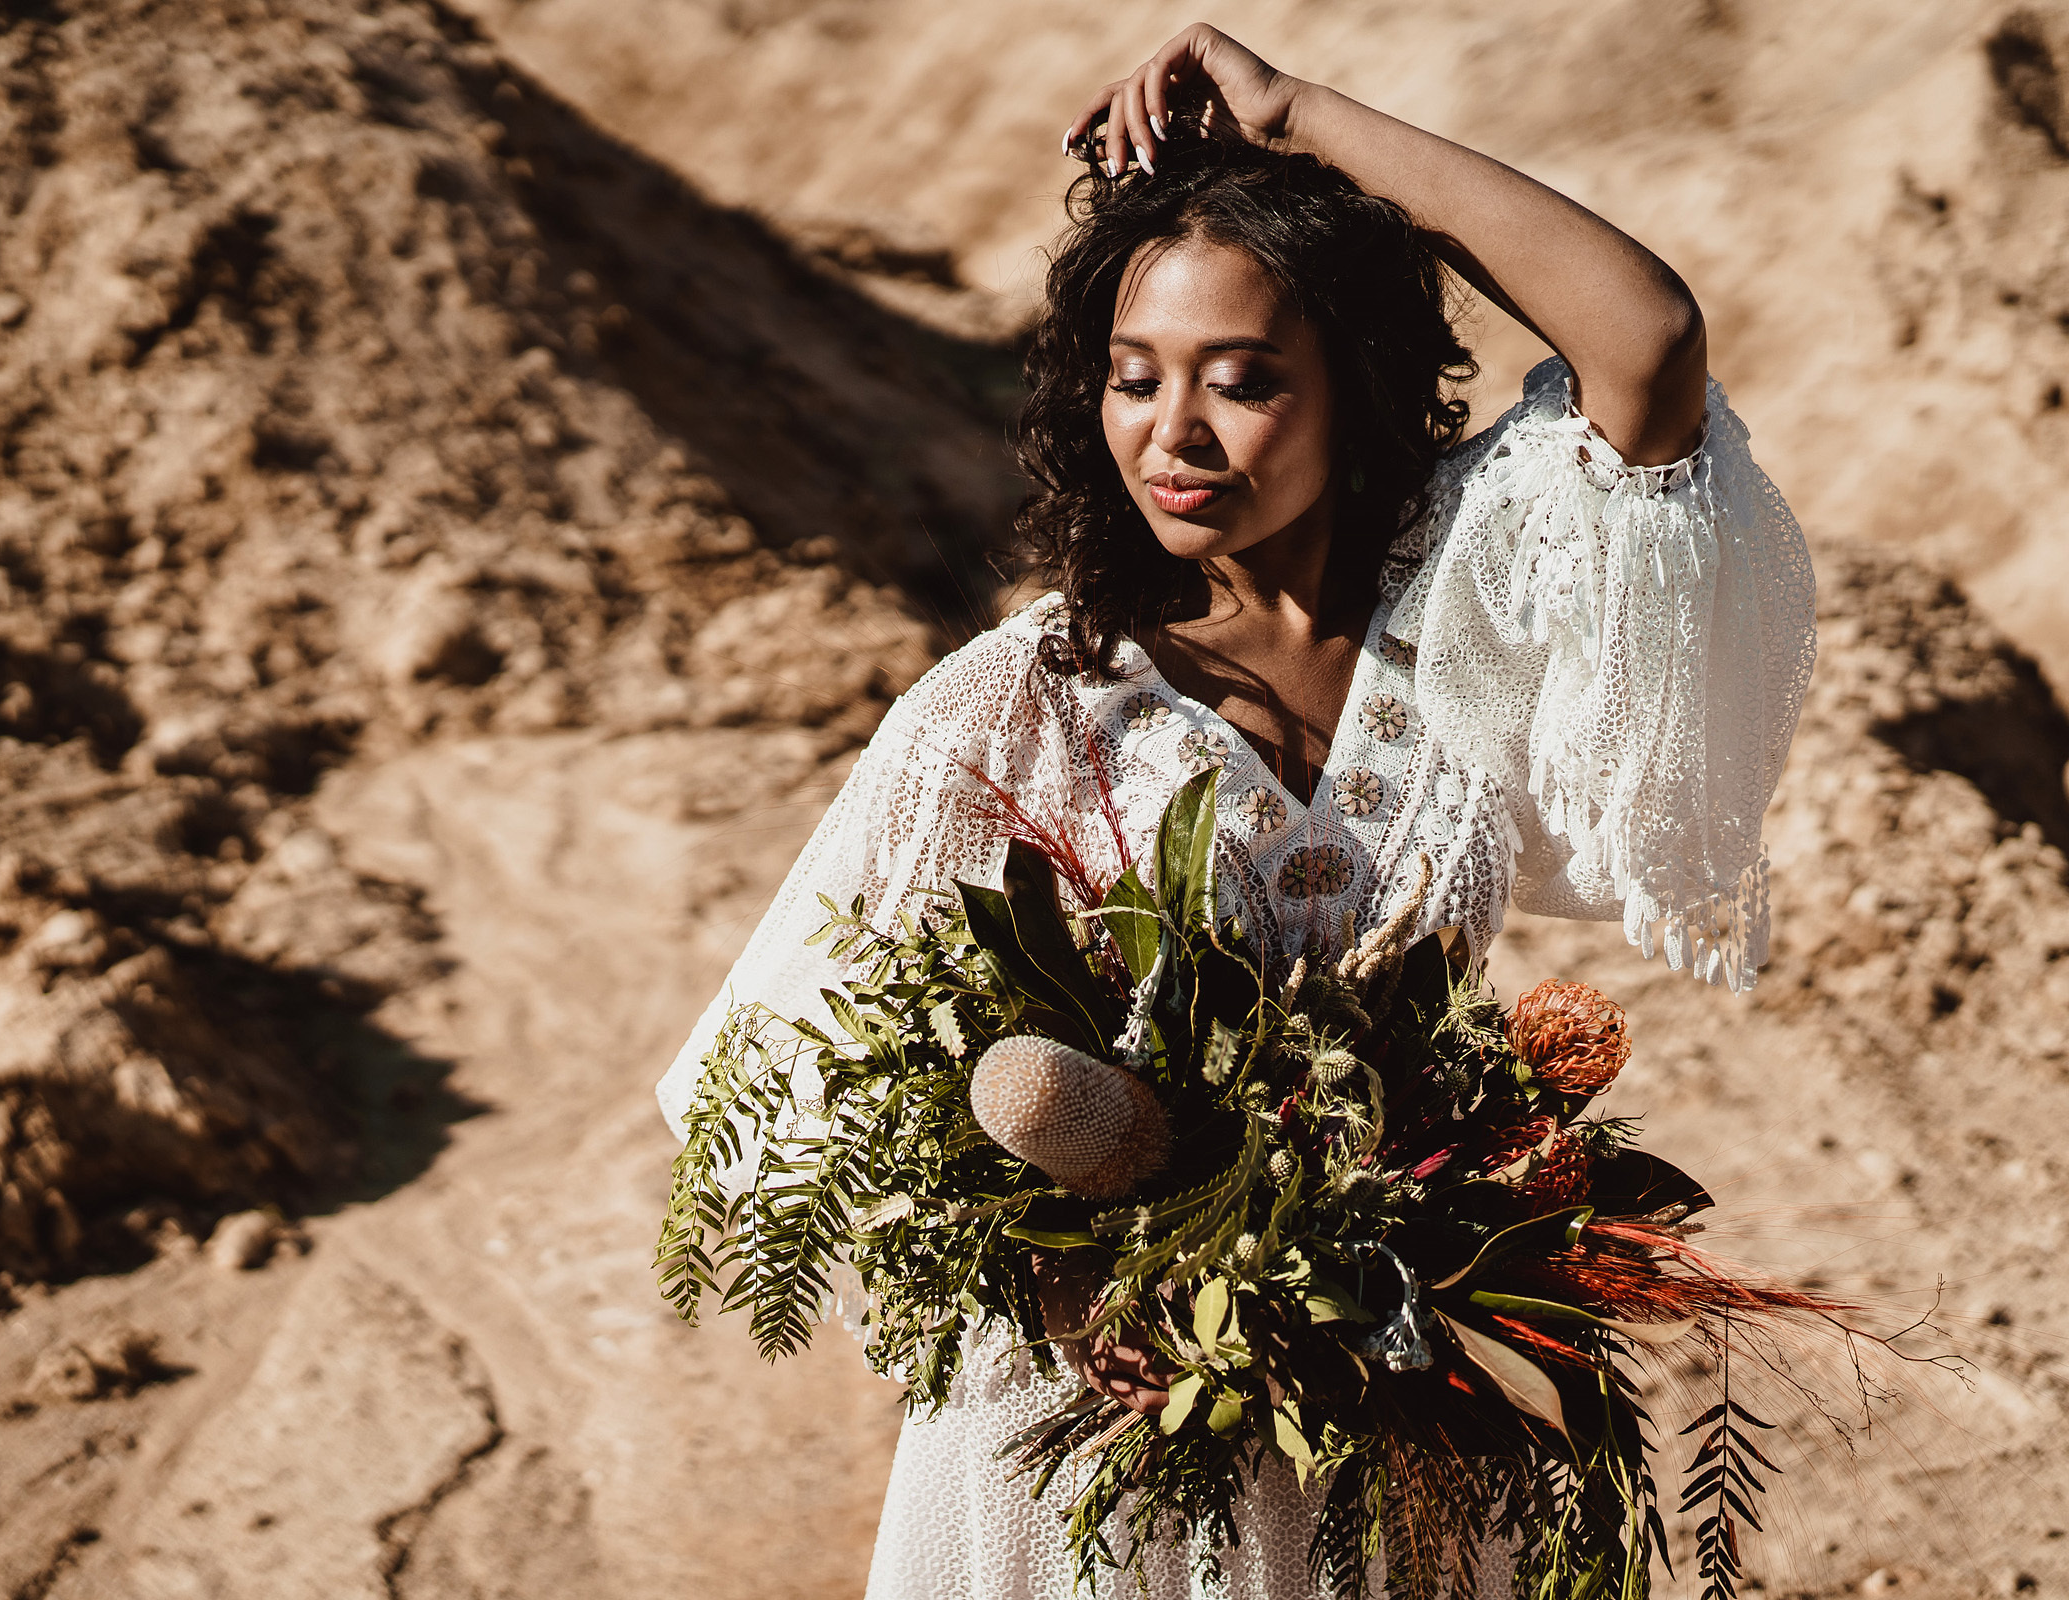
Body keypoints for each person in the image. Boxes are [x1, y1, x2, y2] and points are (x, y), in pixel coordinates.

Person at [657, 24, 1813, 1600]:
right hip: (1101, 1435)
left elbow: (1650, 345)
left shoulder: (1459, 610)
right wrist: (1071, 1290)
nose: (1174, 434)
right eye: (1135, 380)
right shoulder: (1028, 702)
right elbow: (808, 1073)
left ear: (1362, 388)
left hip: (1394, 1394)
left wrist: (1306, 116)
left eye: (1246, 381)